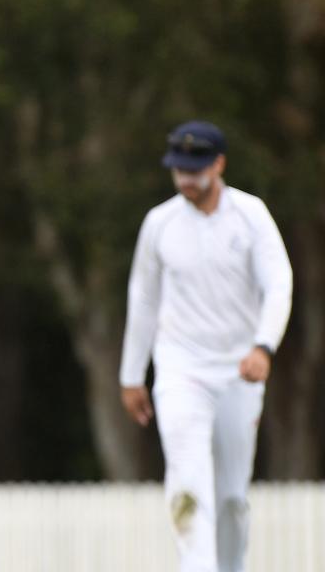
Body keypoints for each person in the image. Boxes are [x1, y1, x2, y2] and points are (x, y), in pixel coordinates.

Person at [120, 120, 293, 572]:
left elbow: (278, 283)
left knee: (233, 496)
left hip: (239, 369)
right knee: (188, 486)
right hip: (181, 370)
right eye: (178, 169)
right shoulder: (159, 223)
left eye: (195, 169)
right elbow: (142, 298)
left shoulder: (251, 215)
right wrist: (131, 375)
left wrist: (264, 347)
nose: (185, 179)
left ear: (219, 164)